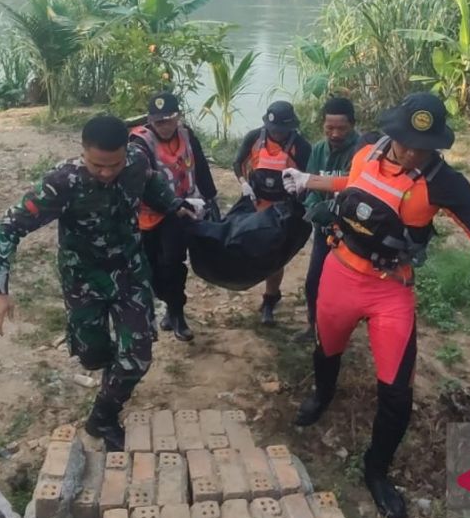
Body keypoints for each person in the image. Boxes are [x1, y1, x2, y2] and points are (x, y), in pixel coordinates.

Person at [282, 93, 470, 518]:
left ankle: (376, 471)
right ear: (392, 132)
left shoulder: (443, 183)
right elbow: (354, 184)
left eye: (424, 145)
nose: (414, 152)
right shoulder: (367, 148)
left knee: (397, 392)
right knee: (327, 349)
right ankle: (322, 395)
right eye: (407, 143)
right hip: (340, 273)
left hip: (389, 289)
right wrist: (309, 180)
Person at [0, 114, 196, 451]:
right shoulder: (63, 182)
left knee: (137, 356)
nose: (107, 172)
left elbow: (151, 182)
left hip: (129, 273)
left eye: (114, 164)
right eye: (98, 164)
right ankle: (109, 371)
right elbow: (5, 229)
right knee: (93, 355)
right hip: (83, 280)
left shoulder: (137, 162)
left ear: (126, 152)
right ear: (83, 152)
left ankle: (103, 416)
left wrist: (174, 206)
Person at [130, 91, 218, 342]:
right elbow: (141, 185)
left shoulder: (188, 136)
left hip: (180, 213)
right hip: (148, 214)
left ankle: (177, 312)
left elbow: (200, 167)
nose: (165, 126)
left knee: (173, 264)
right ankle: (166, 302)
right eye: (159, 122)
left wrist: (211, 200)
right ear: (150, 120)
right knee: (151, 267)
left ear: (178, 116)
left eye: (169, 120)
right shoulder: (139, 144)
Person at [232, 100, 312, 325]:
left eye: (281, 130)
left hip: (283, 209)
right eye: (273, 129)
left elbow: (310, 177)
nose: (276, 133)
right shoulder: (254, 138)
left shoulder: (301, 147)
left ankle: (270, 298)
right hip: (256, 201)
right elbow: (238, 163)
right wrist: (243, 183)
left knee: (275, 257)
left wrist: (300, 189)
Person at [298, 97, 362, 341]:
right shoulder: (318, 150)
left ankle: (341, 332)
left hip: (353, 232)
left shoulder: (362, 152)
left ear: (353, 125)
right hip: (325, 229)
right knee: (314, 280)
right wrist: (313, 208)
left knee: (346, 286)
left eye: (342, 128)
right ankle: (313, 326)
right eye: (329, 128)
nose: (335, 134)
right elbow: (312, 185)